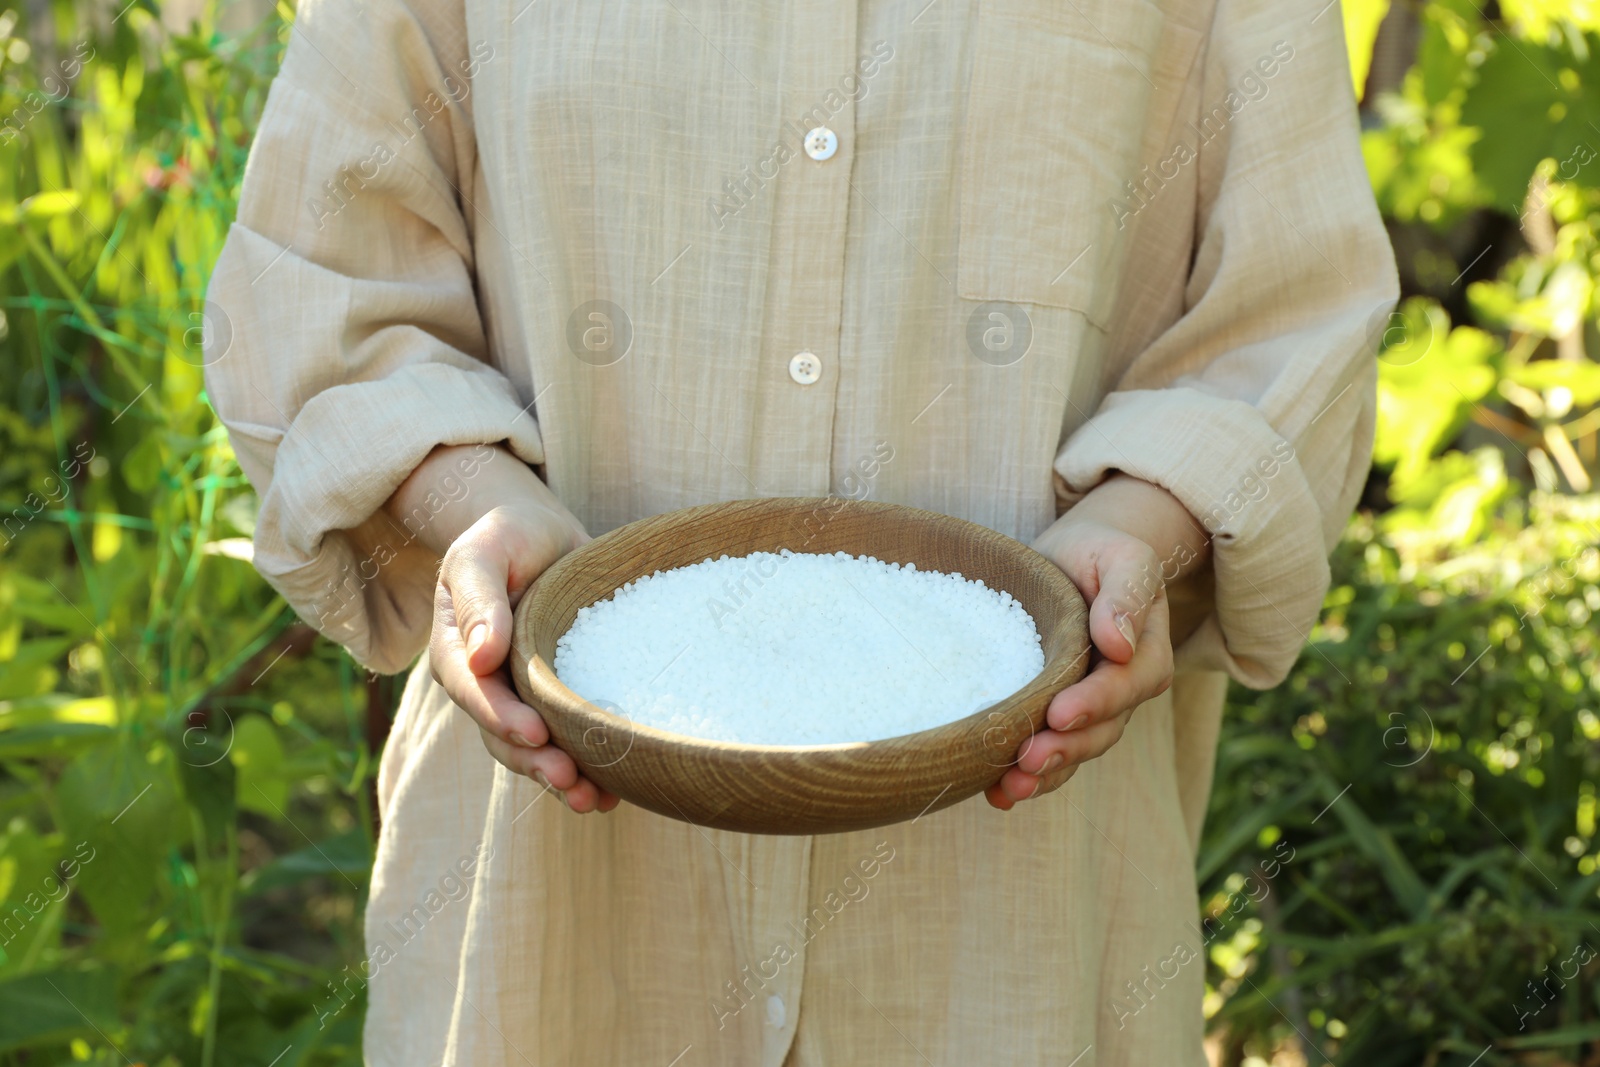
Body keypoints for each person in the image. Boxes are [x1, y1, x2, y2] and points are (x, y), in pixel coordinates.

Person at [204, 0, 1397, 1061]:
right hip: (549, 905)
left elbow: (1293, 316)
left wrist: (1146, 521)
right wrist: (473, 503)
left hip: (1018, 907)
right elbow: (324, 281)